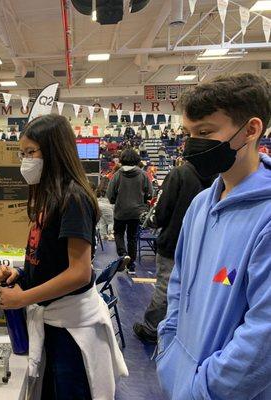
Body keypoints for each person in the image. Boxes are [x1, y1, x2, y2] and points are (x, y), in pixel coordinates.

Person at [0, 114, 127, 400]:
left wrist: (23, 298)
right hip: (53, 322)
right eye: (22, 153)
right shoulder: (48, 197)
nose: (25, 160)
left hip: (72, 328)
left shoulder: (73, 198)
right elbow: (48, 258)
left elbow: (78, 272)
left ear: (53, 151)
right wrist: (21, 275)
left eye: (31, 152)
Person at [156, 73, 271, 400]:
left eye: (205, 132)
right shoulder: (200, 205)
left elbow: (263, 337)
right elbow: (179, 283)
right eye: (189, 133)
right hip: (181, 379)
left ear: (251, 129)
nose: (192, 144)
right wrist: (169, 351)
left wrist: (204, 389)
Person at [133, 161, 216, 344]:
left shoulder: (179, 174)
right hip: (207, 245)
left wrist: (148, 218)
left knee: (165, 287)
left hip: (174, 241)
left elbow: (160, 214)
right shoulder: (221, 174)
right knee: (197, 289)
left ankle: (151, 329)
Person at [107, 148, 153, 274]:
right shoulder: (143, 174)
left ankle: (123, 254)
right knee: (132, 237)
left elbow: (110, 194)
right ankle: (131, 266)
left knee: (119, 233)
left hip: (121, 211)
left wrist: (115, 200)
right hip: (137, 212)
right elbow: (150, 193)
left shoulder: (117, 175)